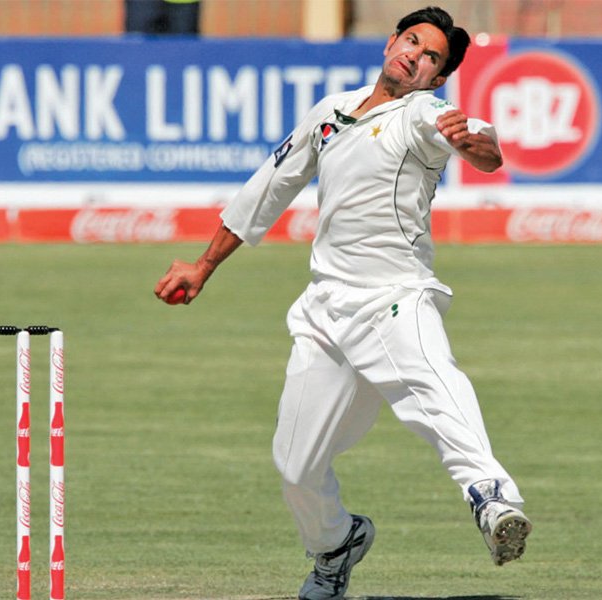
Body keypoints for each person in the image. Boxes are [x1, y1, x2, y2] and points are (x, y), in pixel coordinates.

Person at [155, 6, 532, 599]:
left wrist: (477, 143)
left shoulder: (423, 113)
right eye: (412, 42)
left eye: (431, 57)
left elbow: (479, 144)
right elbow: (269, 186)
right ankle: (335, 546)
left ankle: (492, 499)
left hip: (394, 297)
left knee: (437, 385)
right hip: (326, 311)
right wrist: (203, 265)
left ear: (436, 77)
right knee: (296, 466)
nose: (416, 56)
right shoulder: (330, 111)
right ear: (392, 42)